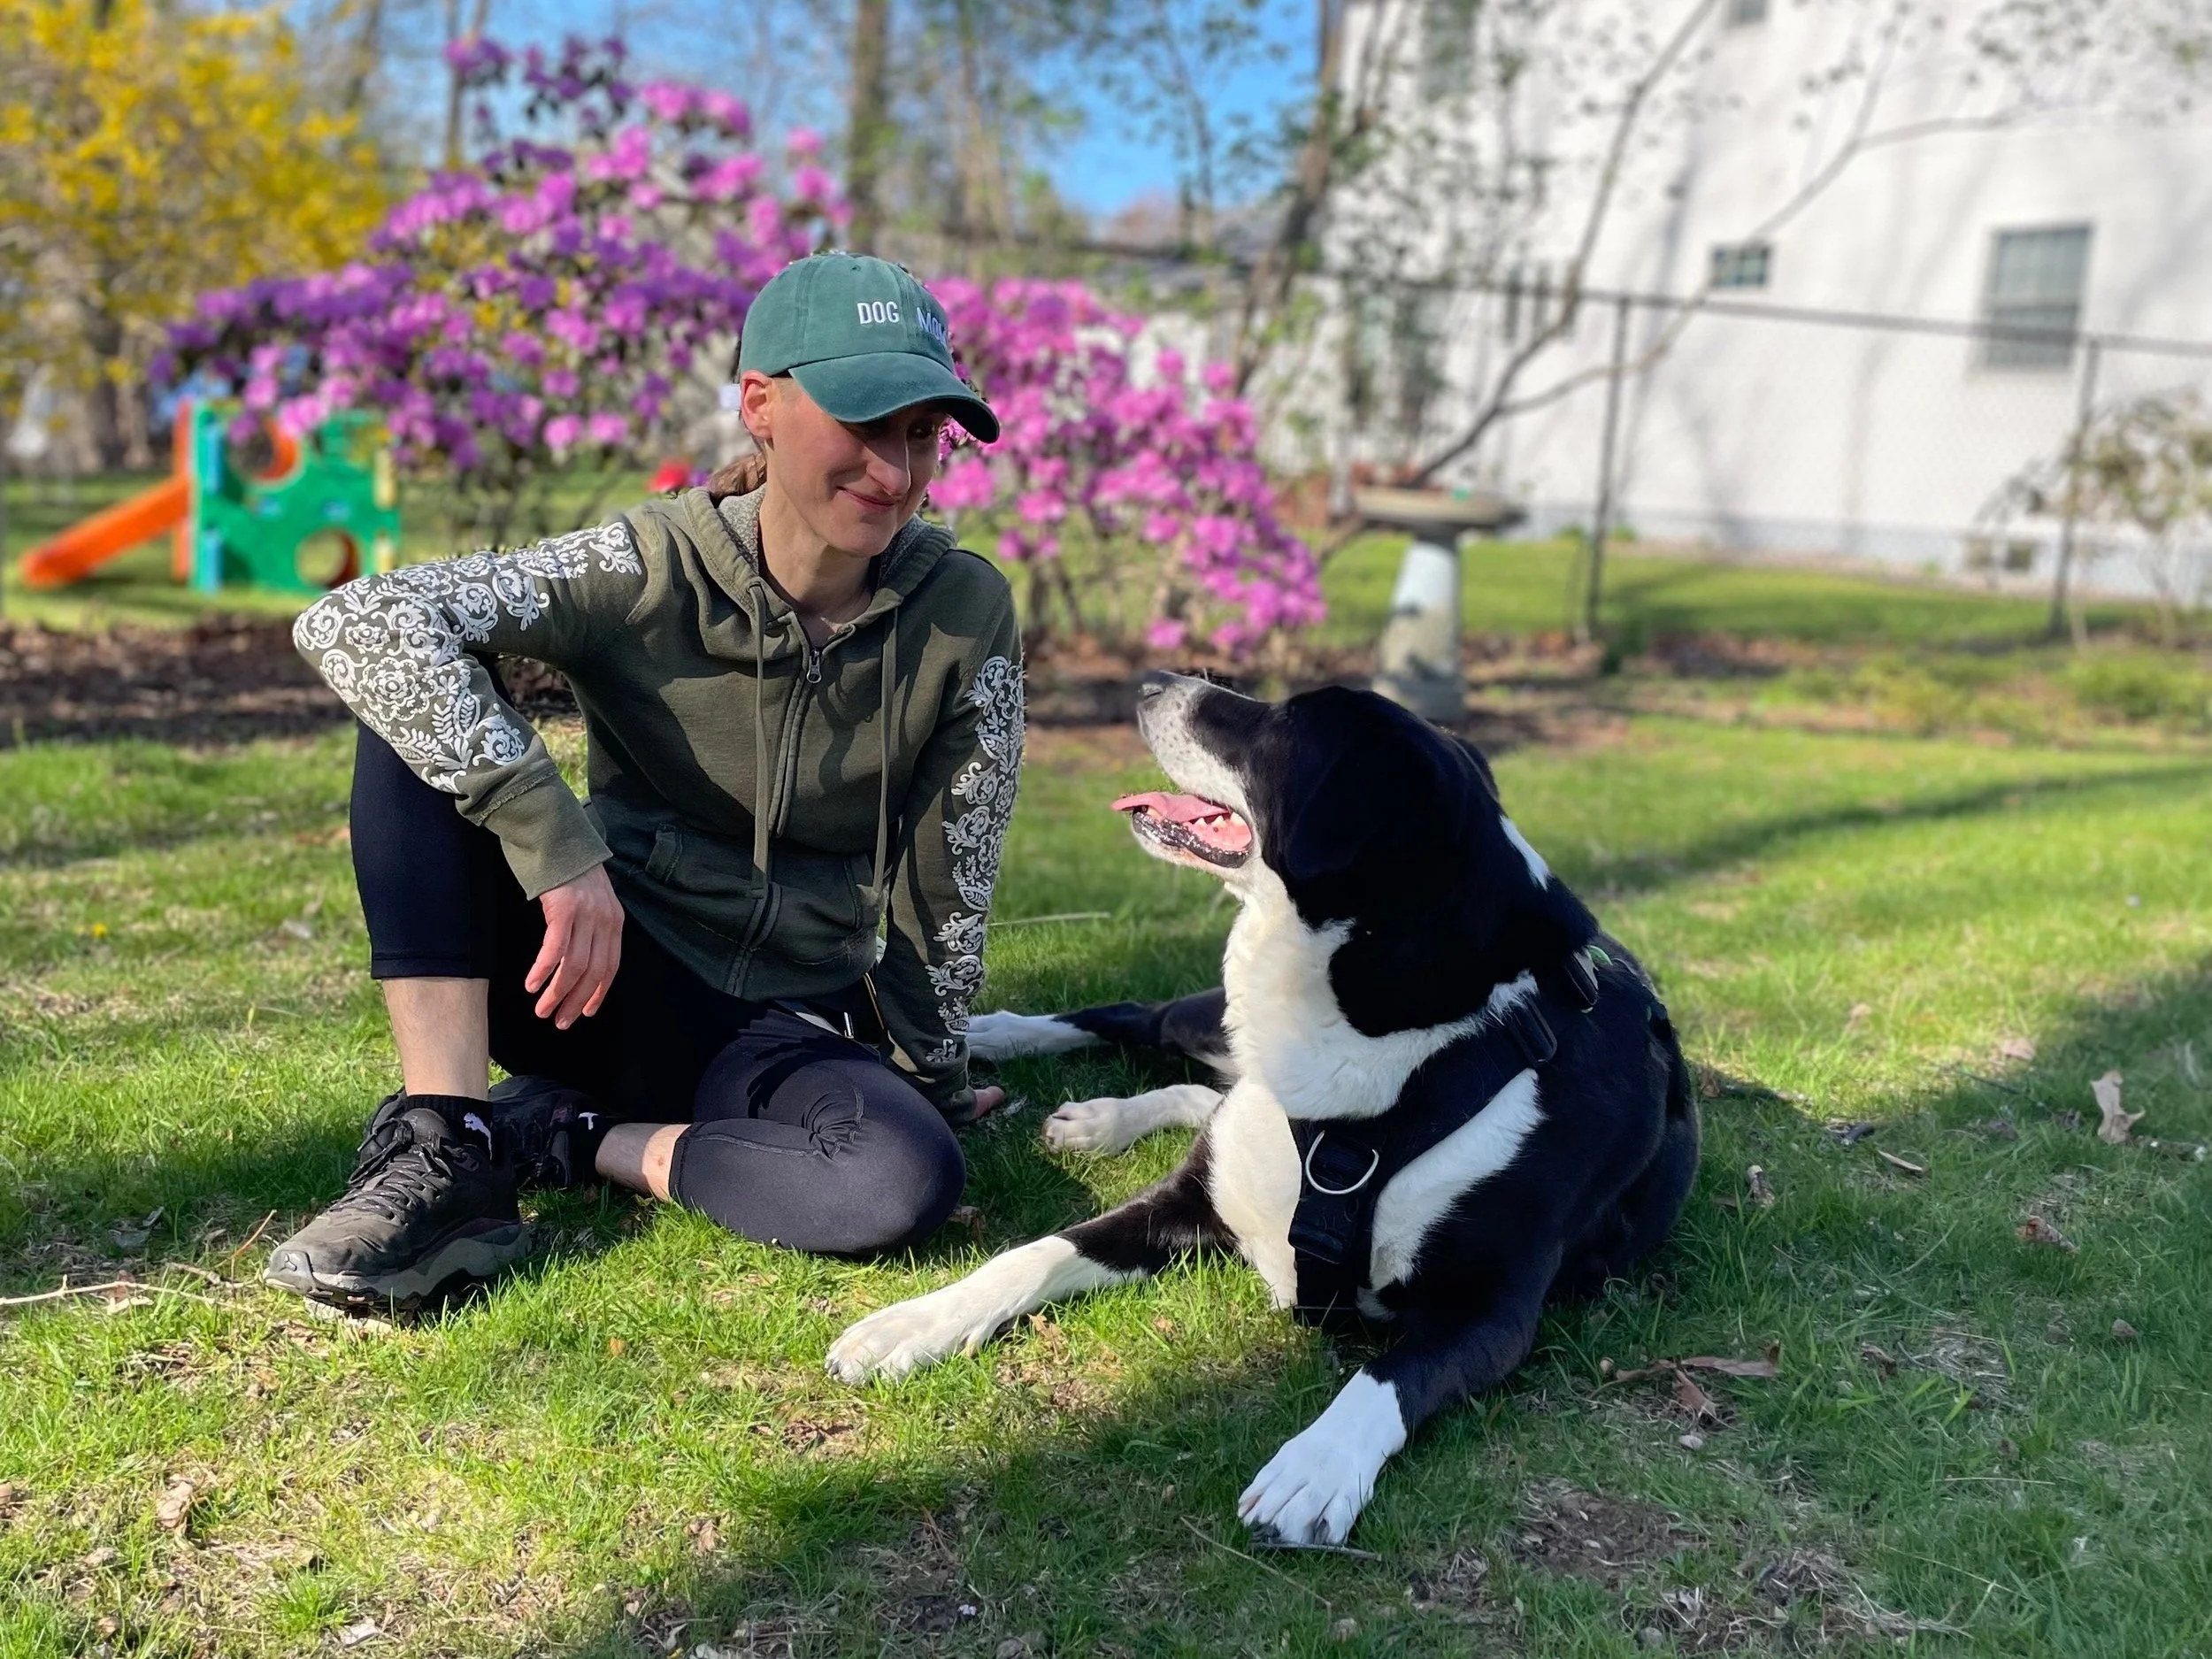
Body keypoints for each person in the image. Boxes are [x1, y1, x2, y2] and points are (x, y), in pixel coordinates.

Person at [264, 253, 1022, 1308]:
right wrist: (555, 843)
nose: (893, 472)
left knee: (902, 1182)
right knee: (415, 715)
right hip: (587, 970)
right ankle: (446, 1147)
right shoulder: (649, 564)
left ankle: (566, 1136)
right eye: (863, 422)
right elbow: (361, 618)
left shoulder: (963, 613)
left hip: (778, 1026)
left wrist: (931, 1078)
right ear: (760, 404)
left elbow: (951, 882)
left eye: (921, 433)